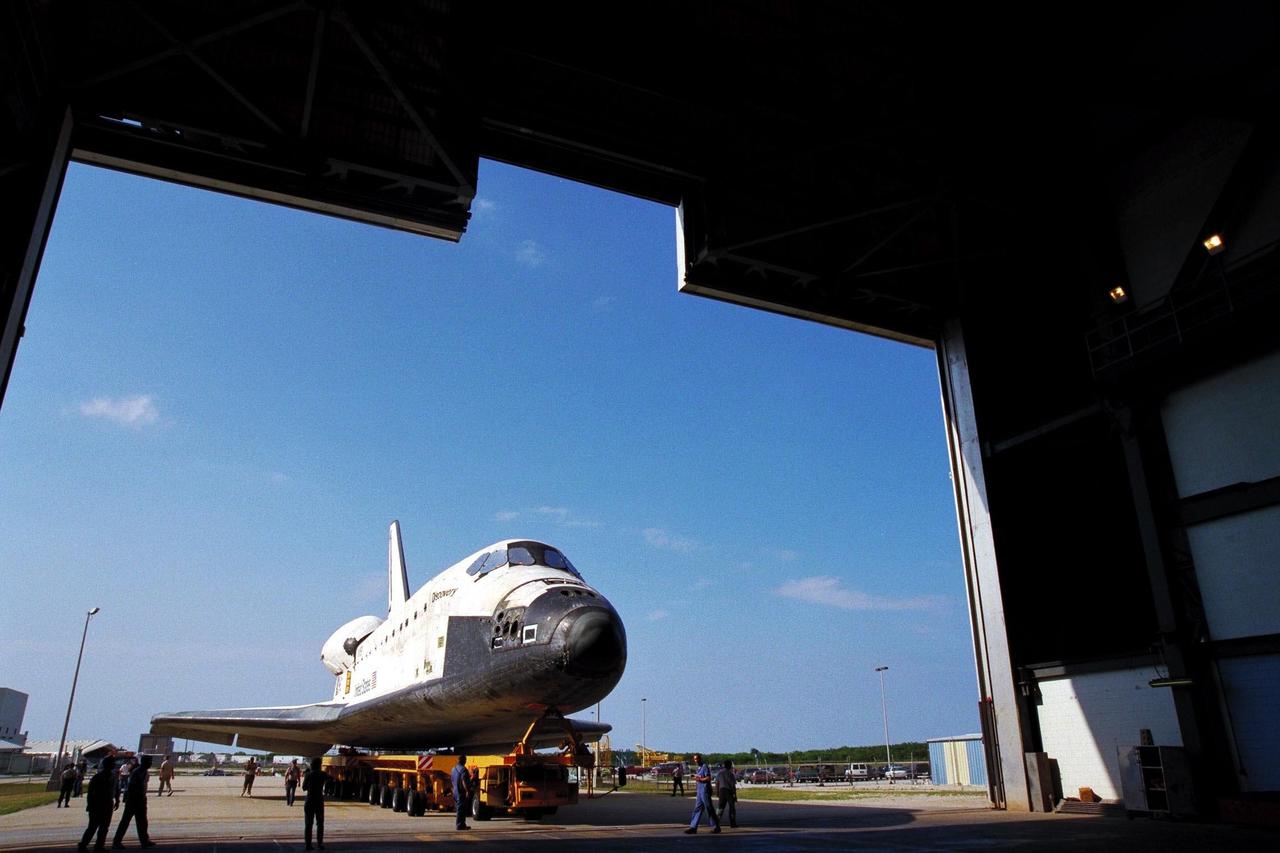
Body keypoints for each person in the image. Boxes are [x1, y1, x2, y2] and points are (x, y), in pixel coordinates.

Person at [112, 753, 155, 849]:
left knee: (142, 821)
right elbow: (131, 787)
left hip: (141, 799)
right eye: (149, 762)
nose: (150, 764)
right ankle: (116, 842)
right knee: (125, 821)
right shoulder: (137, 772)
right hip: (134, 800)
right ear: (144, 762)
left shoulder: (144, 772)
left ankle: (144, 840)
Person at [79, 756, 115, 853]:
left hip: (108, 804)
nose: (113, 765)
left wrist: (116, 800)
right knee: (93, 827)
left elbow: (115, 789)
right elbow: (91, 792)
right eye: (111, 763)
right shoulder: (98, 777)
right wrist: (90, 805)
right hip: (97, 805)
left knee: (104, 828)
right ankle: (83, 845)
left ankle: (99, 846)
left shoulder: (112, 776)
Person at [683, 753, 721, 834]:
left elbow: (708, 778)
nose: (696, 760)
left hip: (705, 790)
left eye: (697, 759)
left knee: (709, 808)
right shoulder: (698, 768)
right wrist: (695, 777)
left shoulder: (704, 766)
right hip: (699, 791)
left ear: (700, 758)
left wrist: (699, 779)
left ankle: (716, 826)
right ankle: (693, 827)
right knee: (697, 808)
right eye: (695, 759)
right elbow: (698, 777)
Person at [301, 758, 326, 850]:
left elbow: (304, 787)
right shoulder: (323, 774)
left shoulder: (308, 775)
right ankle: (320, 844)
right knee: (320, 823)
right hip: (319, 800)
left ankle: (308, 844)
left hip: (310, 799)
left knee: (308, 824)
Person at [450, 754, 471, 830]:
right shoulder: (464, 770)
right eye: (465, 760)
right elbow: (464, 781)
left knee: (459, 808)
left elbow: (452, 780)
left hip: (455, 791)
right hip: (461, 792)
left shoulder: (453, 769)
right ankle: (460, 825)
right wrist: (467, 791)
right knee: (461, 809)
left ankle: (462, 824)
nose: (465, 761)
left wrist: (454, 789)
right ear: (463, 760)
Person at [715, 759, 738, 828]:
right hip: (728, 791)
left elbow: (717, 783)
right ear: (730, 765)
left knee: (720, 808)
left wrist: (717, 792)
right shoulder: (731, 774)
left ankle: (716, 822)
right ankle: (732, 823)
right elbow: (733, 786)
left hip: (721, 791)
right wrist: (735, 795)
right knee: (732, 807)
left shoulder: (720, 773)